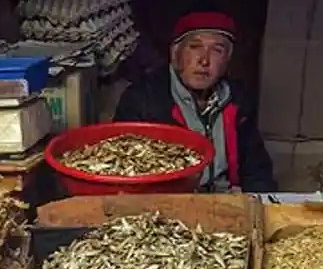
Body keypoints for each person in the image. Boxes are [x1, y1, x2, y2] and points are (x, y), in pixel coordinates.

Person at [114, 10, 277, 193]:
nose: (204, 60)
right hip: (168, 204)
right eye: (194, 47)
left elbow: (257, 171)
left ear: (227, 61)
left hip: (226, 201)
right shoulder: (142, 100)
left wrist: (257, 205)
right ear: (175, 55)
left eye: (217, 50)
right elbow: (126, 176)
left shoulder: (238, 100)